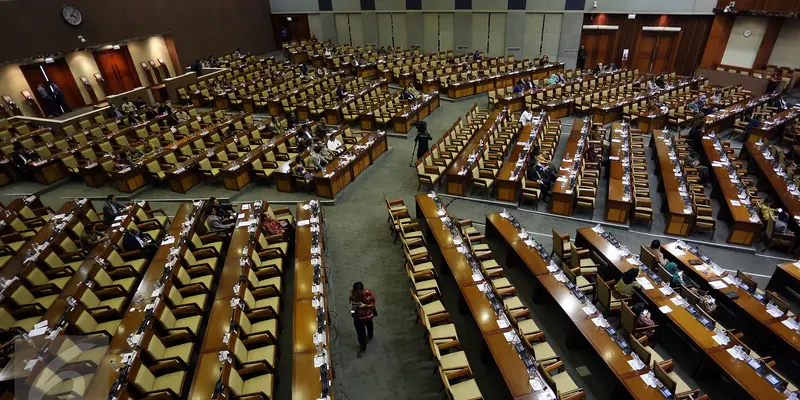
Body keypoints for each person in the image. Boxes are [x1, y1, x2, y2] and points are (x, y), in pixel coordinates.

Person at [349, 281, 376, 357]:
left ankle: (370, 335)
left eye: (358, 292)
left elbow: (373, 304)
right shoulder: (352, 293)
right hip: (357, 317)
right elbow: (351, 302)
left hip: (367, 316)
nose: (356, 294)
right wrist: (352, 309)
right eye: (355, 292)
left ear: (362, 290)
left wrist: (365, 305)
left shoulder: (368, 294)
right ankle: (363, 347)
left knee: (370, 326)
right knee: (360, 334)